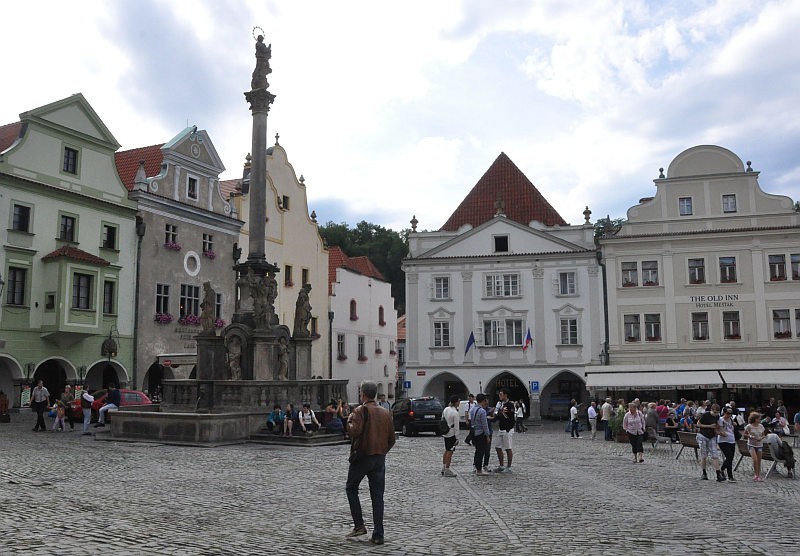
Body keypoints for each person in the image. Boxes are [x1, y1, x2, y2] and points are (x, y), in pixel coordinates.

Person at [345, 381, 395, 546]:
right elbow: (392, 439)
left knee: (351, 488)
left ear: (363, 394)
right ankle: (378, 534)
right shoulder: (385, 412)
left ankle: (359, 525)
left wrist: (348, 420)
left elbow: (354, 431)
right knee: (377, 496)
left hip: (363, 456)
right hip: (379, 457)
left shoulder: (360, 410)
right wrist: (382, 451)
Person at [697, 403, 724, 481]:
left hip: (712, 436)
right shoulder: (705, 415)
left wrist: (718, 429)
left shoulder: (717, 417)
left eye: (717, 413)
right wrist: (709, 426)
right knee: (704, 455)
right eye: (714, 412)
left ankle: (718, 474)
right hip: (703, 436)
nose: (715, 414)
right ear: (711, 410)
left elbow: (716, 426)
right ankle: (704, 473)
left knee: (715, 455)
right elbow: (698, 424)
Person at [492, 389, 515, 473]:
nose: (500, 396)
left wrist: (509, 428)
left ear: (505, 395)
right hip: (501, 428)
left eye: (501, 394)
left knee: (508, 447)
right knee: (497, 447)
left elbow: (511, 417)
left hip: (507, 429)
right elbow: (497, 415)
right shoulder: (500, 404)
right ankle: (501, 465)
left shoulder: (510, 405)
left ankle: (508, 467)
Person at [470, 393, 490, 476]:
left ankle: (475, 467)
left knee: (477, 451)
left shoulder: (473, 409)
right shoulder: (482, 411)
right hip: (481, 433)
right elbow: (485, 425)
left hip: (474, 432)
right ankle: (479, 470)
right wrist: (487, 435)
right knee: (481, 452)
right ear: (483, 400)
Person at [744, 411, 766, 482]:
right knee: (755, 459)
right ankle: (755, 475)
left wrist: (761, 438)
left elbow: (763, 435)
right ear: (755, 419)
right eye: (759, 418)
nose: (760, 420)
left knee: (759, 460)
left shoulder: (761, 426)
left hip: (759, 445)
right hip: (751, 445)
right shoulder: (749, 426)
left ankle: (758, 475)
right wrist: (750, 436)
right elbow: (744, 435)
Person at [441, 395, 460, 477]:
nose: (459, 403)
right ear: (456, 402)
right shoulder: (455, 413)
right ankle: (447, 469)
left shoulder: (446, 409)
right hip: (452, 433)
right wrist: (457, 437)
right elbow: (456, 426)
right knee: (450, 451)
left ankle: (444, 466)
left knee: (446, 450)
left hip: (445, 432)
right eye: (458, 401)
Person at [718, 405, 737, 481]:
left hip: (731, 440)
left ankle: (722, 470)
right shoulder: (720, 420)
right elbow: (717, 429)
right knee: (728, 457)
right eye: (728, 413)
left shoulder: (731, 419)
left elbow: (731, 429)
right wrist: (721, 433)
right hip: (723, 440)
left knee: (730, 458)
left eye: (730, 413)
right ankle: (730, 476)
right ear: (724, 413)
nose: (729, 415)